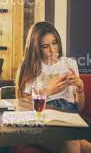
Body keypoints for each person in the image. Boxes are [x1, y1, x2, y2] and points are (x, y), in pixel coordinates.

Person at [16, 21, 88, 153]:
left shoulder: (69, 63)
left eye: (54, 43)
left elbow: (79, 108)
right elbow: (22, 104)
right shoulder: (30, 66)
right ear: (36, 47)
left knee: (76, 142)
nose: (52, 50)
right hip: (43, 117)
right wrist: (47, 91)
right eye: (45, 46)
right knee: (75, 142)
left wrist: (80, 88)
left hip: (69, 114)